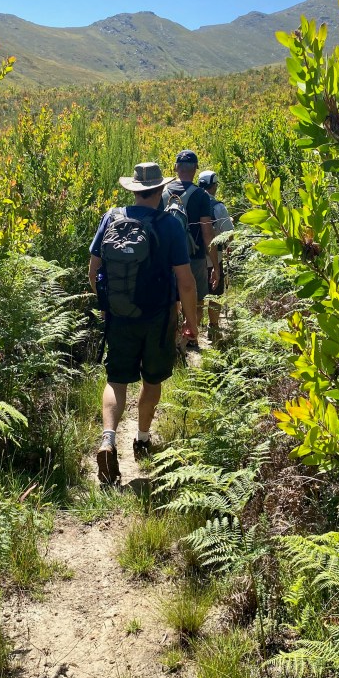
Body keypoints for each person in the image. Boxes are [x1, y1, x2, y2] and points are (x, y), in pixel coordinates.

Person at [89, 162, 198, 485]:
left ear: (133, 190)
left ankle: (108, 439)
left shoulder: (111, 218)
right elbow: (187, 282)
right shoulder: (169, 225)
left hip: (119, 316)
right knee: (152, 382)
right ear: (161, 190)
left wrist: (110, 304)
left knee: (116, 380)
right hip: (158, 317)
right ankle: (142, 439)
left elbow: (93, 270)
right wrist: (192, 323)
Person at [162, 149, 219, 346]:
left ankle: (175, 337)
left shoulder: (162, 193)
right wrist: (215, 266)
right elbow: (207, 233)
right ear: (196, 168)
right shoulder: (201, 196)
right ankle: (191, 338)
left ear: (176, 167)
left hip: (166, 257)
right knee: (197, 298)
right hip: (194, 257)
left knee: (172, 298)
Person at [197, 170, 234, 337]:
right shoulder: (218, 207)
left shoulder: (190, 203)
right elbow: (229, 235)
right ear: (214, 186)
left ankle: (193, 330)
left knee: (196, 294)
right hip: (214, 258)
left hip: (192, 258)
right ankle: (213, 327)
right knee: (215, 292)